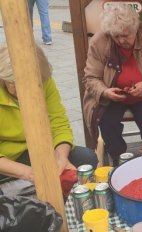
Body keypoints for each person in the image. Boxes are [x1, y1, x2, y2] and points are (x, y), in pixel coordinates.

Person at [83, 3, 142, 165]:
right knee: (106, 122)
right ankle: (119, 160)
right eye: (116, 36)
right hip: (113, 96)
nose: (121, 40)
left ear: (135, 28)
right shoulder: (99, 41)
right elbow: (90, 78)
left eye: (126, 35)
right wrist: (105, 92)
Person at [0, 45, 98, 196]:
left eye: (36, 84)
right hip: (6, 157)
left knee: (86, 159)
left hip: (40, 148)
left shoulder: (42, 79)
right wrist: (27, 173)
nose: (32, 91)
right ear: (7, 80)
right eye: (22, 87)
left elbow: (59, 123)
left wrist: (61, 157)